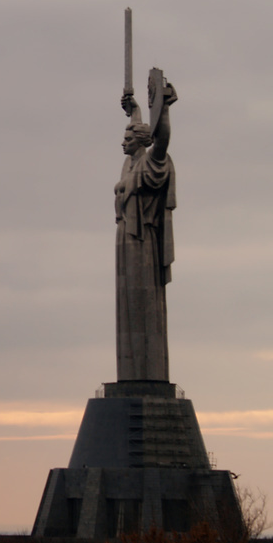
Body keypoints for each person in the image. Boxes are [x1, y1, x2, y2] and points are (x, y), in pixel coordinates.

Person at [115, 81, 177, 381]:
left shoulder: (153, 162)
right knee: (126, 306)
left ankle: (147, 377)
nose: (123, 142)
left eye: (128, 137)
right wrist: (136, 110)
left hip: (143, 242)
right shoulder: (130, 164)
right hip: (125, 240)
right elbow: (140, 131)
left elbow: (161, 139)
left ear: (142, 141)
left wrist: (162, 109)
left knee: (143, 304)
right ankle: (131, 375)